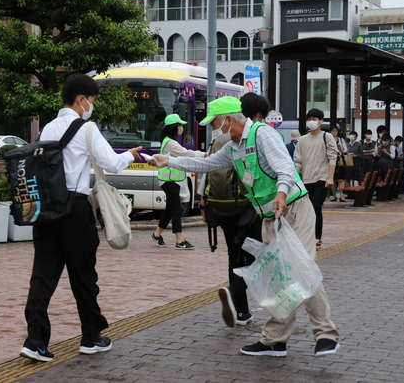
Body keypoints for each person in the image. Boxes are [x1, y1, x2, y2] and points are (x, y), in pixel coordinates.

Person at [147, 96, 340, 357]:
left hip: (294, 209)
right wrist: (169, 161)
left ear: (228, 120)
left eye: (214, 123)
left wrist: (281, 195)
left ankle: (325, 335)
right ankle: (275, 340)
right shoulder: (234, 146)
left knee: (301, 270)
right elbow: (208, 163)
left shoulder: (262, 135)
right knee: (279, 278)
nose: (214, 130)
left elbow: (284, 168)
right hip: (270, 217)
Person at [20, 73, 142, 362]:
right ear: (81, 100)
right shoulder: (87, 129)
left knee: (43, 275)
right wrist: (130, 155)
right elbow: (111, 162)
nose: (92, 106)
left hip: (46, 209)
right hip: (74, 208)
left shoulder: (48, 128)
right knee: (83, 275)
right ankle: (91, 336)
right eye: (93, 100)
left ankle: (35, 339)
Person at [205, 93, 265, 328]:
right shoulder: (244, 139)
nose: (215, 126)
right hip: (248, 208)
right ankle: (234, 291)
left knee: (234, 254)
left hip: (221, 207)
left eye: (214, 121)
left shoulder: (218, 140)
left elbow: (207, 172)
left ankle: (242, 312)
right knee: (256, 255)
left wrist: (203, 202)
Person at [152, 114, 203, 249]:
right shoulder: (170, 143)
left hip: (170, 180)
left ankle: (157, 234)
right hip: (169, 180)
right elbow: (186, 154)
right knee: (176, 209)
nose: (181, 128)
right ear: (174, 127)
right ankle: (179, 241)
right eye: (179, 125)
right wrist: (203, 154)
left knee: (170, 209)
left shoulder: (169, 141)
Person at [294, 109, 337, 250]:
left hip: (322, 178)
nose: (312, 121)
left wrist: (330, 177)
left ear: (321, 121)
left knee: (316, 206)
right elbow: (298, 161)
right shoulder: (302, 140)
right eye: (310, 119)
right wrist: (293, 178)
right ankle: (309, 236)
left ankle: (317, 237)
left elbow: (332, 157)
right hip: (307, 180)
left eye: (315, 119)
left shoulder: (327, 137)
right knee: (307, 210)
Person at [328, 126, 348, 202]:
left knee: (340, 180)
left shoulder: (341, 140)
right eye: (333, 131)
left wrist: (340, 149)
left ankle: (342, 195)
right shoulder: (328, 140)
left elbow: (346, 150)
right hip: (331, 160)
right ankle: (334, 196)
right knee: (332, 179)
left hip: (340, 161)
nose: (334, 132)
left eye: (335, 131)